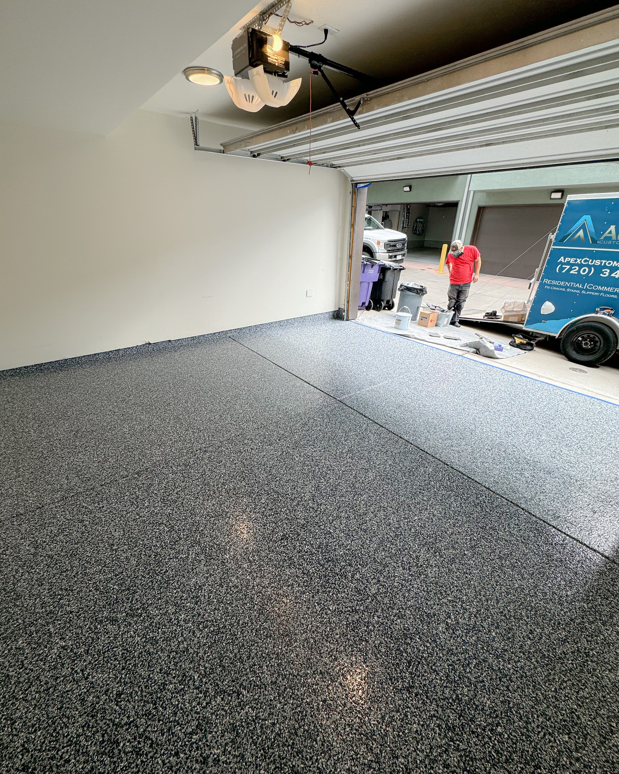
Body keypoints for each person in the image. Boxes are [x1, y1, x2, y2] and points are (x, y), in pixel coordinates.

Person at [445, 240, 481, 327]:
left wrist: (476, 274)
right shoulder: (451, 254)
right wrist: (450, 272)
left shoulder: (472, 250)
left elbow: (478, 260)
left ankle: (455, 320)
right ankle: (448, 319)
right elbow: (448, 263)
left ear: (461, 248)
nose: (455, 254)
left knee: (460, 303)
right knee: (452, 302)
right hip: (454, 281)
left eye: (457, 252)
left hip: (466, 282)